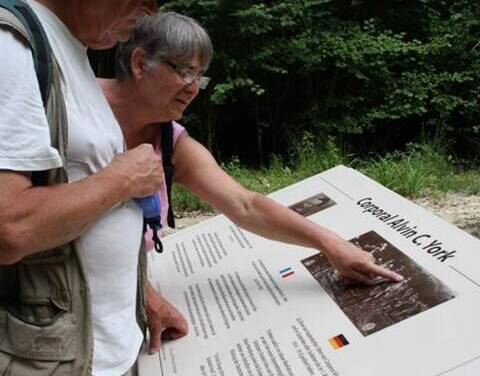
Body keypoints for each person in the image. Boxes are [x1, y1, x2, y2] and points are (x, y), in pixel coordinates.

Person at [100, 11, 404, 355]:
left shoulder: (171, 142)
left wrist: (331, 245)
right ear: (140, 63)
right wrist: (142, 293)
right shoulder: (70, 109)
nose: (194, 88)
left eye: (201, 76)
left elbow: (246, 205)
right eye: (185, 71)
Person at [0, 0, 162, 375]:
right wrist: (123, 180)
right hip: (52, 359)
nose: (150, 12)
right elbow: (9, 227)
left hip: (105, 351)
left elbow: (87, 210)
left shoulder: (72, 47)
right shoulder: (12, 44)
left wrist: (141, 297)